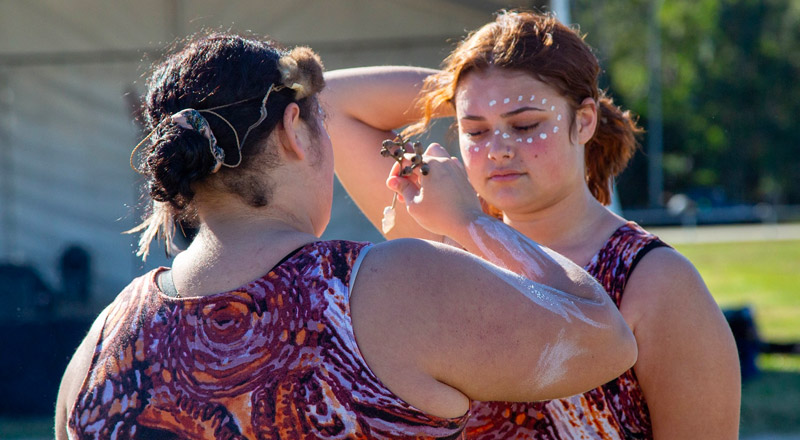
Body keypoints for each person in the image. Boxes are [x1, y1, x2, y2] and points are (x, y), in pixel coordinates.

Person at [54, 32, 637, 440]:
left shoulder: (98, 348)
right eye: (320, 124)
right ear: (294, 134)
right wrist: (471, 222)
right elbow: (606, 336)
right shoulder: (388, 286)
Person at [322, 10, 741, 440]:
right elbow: (326, 101)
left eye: (525, 124)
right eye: (476, 131)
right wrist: (476, 91)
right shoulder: (447, 238)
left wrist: (495, 100)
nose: (499, 149)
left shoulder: (656, 281)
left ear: (584, 121)